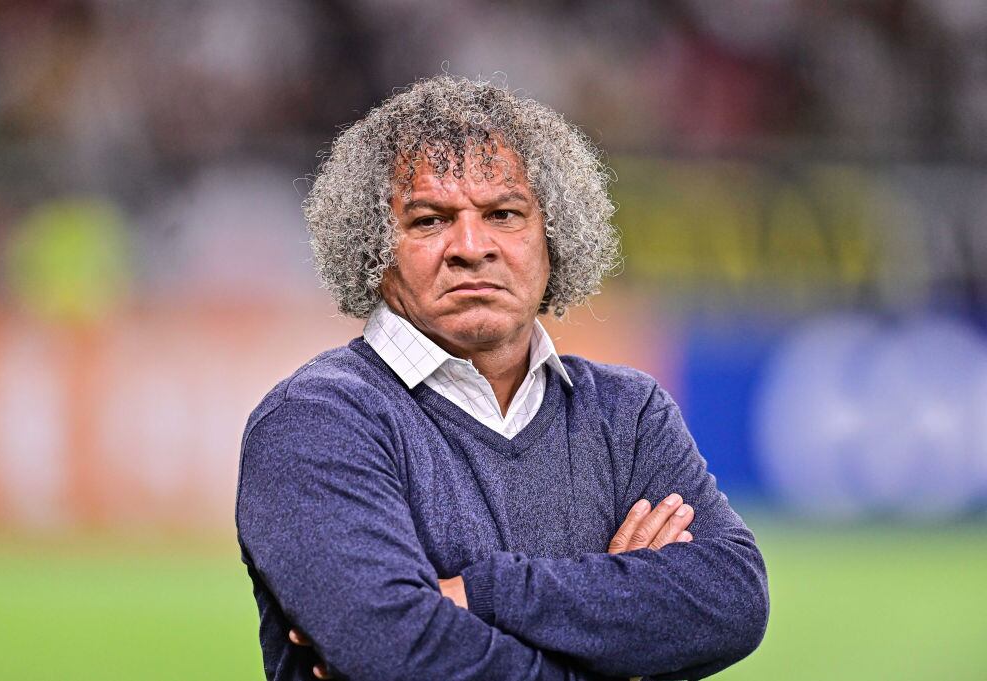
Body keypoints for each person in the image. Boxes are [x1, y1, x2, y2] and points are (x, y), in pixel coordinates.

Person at [236, 75, 768, 681]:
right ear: (373, 249)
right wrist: (616, 636)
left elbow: (732, 599)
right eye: (430, 220)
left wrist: (480, 595)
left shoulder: (630, 413)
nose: (470, 245)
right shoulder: (318, 419)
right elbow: (396, 652)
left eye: (503, 214)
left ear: (553, 238)